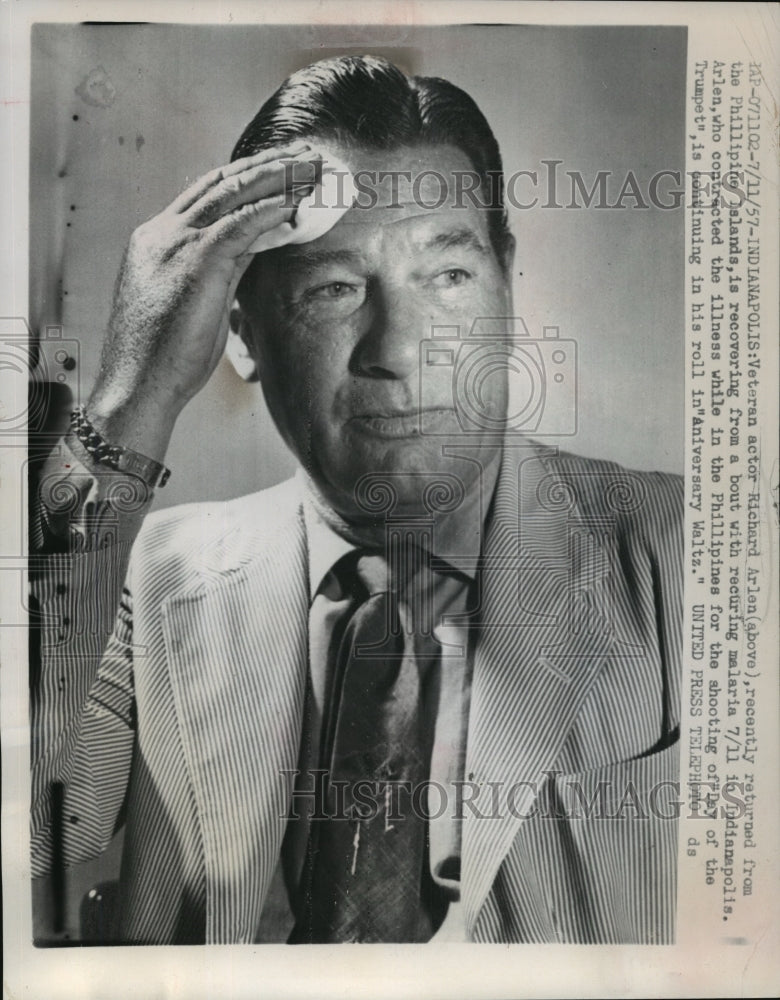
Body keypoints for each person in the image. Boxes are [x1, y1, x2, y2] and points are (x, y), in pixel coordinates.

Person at [30, 55, 683, 945]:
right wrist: (131, 400)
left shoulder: (692, 550)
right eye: (332, 290)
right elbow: (27, 828)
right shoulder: (144, 573)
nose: (400, 350)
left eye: (447, 277)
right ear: (240, 332)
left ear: (507, 280)